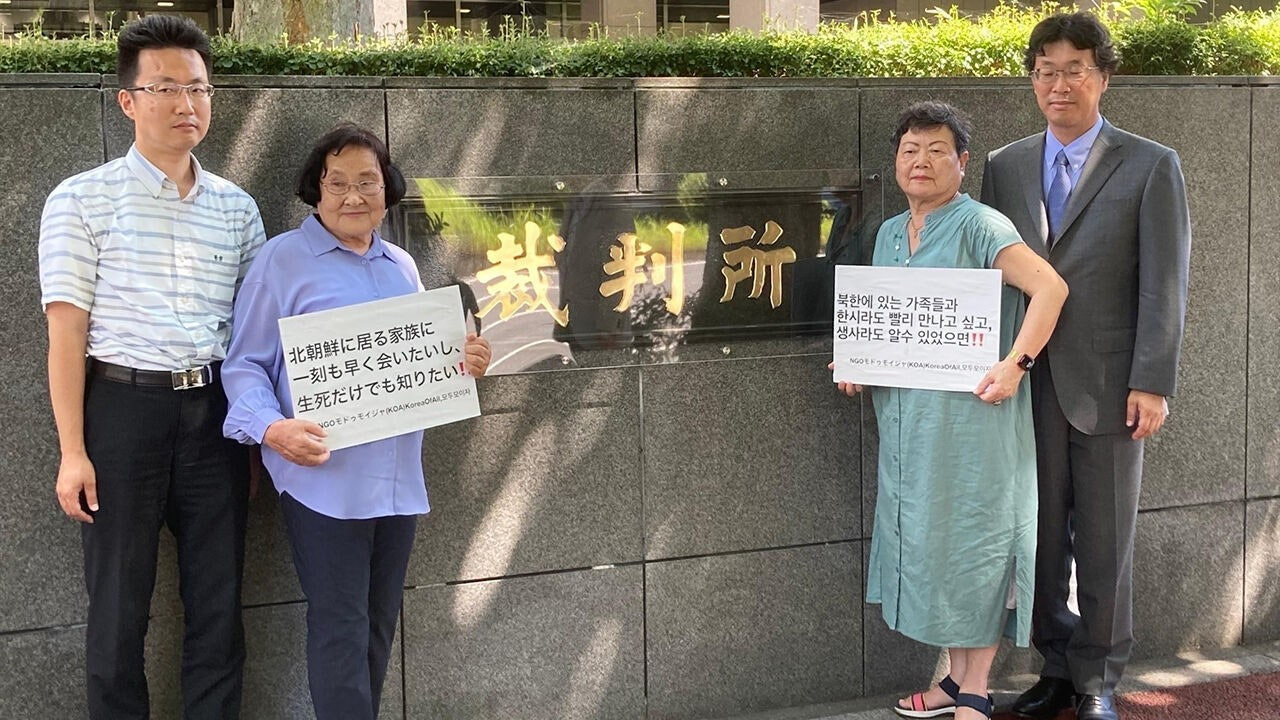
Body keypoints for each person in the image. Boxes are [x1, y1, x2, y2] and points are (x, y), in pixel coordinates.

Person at [220, 124, 492, 720]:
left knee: (376, 624)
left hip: (396, 480)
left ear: (386, 189)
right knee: (340, 626)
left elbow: (417, 364)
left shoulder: (401, 265)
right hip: (323, 481)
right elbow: (243, 365)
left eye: (367, 182)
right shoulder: (282, 261)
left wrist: (462, 361)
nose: (353, 196)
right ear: (315, 190)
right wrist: (271, 429)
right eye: (337, 183)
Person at [38, 15, 264, 720]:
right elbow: (66, 335)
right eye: (165, 87)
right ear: (128, 101)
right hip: (121, 413)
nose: (186, 103)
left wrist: (257, 430)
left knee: (219, 606)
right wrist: (73, 451)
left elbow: (257, 334)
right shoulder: (81, 198)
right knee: (117, 610)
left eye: (198, 87)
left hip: (215, 416)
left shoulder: (237, 208)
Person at [980, 13, 1192, 720]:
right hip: (1027, 383)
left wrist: (1152, 380)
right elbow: (989, 276)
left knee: (1105, 539)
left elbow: (1165, 282)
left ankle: (1098, 679)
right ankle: (1055, 669)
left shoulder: (1150, 164)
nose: (1059, 84)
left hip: (1110, 385)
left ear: (1103, 77)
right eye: (1046, 71)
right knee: (1039, 535)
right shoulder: (1006, 166)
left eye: (1075, 70)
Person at [835, 101, 1068, 720]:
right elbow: (888, 323)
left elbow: (1050, 288)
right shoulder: (890, 233)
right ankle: (953, 681)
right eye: (910, 150)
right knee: (936, 545)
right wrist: (857, 359)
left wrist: (1015, 364)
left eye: (937, 150)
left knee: (974, 544)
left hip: (975, 423)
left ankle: (976, 690)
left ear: (962, 162)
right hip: (910, 425)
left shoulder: (981, 225)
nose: (921, 161)